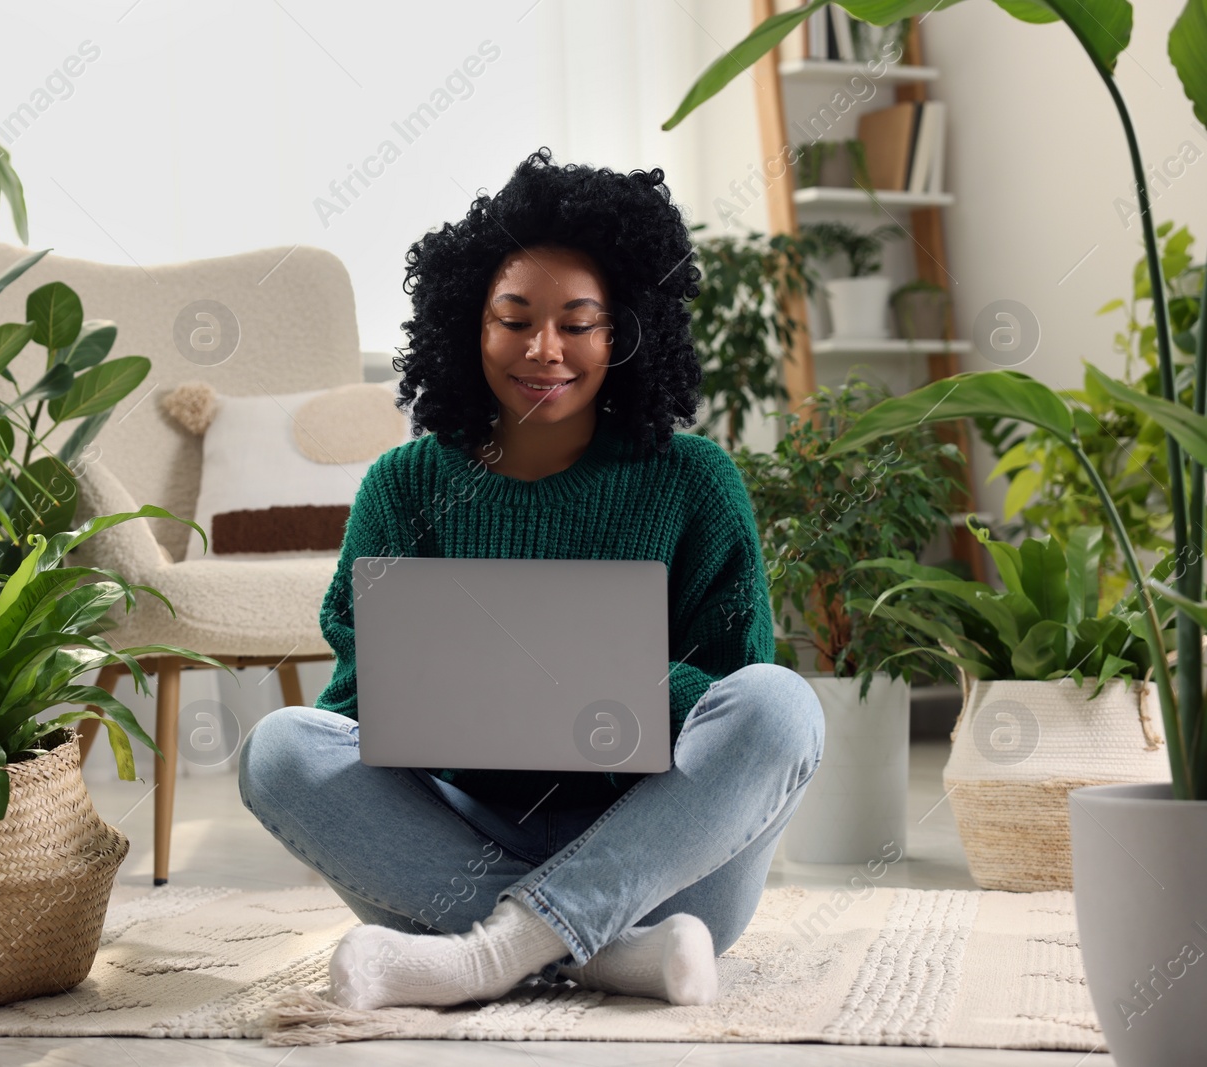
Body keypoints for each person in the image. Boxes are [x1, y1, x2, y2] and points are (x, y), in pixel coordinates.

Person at [237, 147, 824, 1012]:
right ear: (467, 326)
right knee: (278, 748)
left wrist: (593, 683)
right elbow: (358, 708)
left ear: (623, 330)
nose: (544, 349)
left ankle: (484, 956)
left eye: (578, 322)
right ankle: (614, 955)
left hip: (662, 857)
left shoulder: (694, 480)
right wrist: (464, 700)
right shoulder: (403, 487)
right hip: (460, 839)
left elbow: (735, 701)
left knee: (784, 704)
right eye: (514, 319)